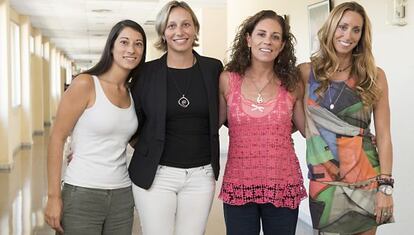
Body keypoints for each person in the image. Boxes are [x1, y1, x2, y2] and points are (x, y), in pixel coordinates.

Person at [298, 2, 394, 234]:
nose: (348, 35)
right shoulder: (305, 73)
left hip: (367, 179)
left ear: (362, 36)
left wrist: (385, 187)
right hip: (324, 183)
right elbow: (301, 126)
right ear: (331, 28)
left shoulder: (374, 76)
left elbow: (384, 136)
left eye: (356, 29)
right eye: (342, 26)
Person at [128, 1, 223, 235]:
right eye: (171, 26)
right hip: (156, 174)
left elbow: (228, 113)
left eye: (186, 24)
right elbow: (132, 123)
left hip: (201, 176)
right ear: (163, 32)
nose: (179, 32)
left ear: (195, 29)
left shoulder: (213, 69)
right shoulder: (146, 73)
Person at [44, 20, 146, 235]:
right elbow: (57, 138)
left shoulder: (132, 93)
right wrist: (53, 197)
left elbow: (129, 138)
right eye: (124, 42)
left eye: (138, 44)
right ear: (111, 46)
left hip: (122, 195)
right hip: (82, 192)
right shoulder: (86, 84)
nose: (131, 49)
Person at [218, 10, 307, 235]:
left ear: (282, 44)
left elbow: (307, 129)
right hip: (239, 184)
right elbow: (211, 126)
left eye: (275, 36)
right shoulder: (228, 80)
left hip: (282, 183)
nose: (267, 41)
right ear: (248, 39)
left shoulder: (292, 83)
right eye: (261, 34)